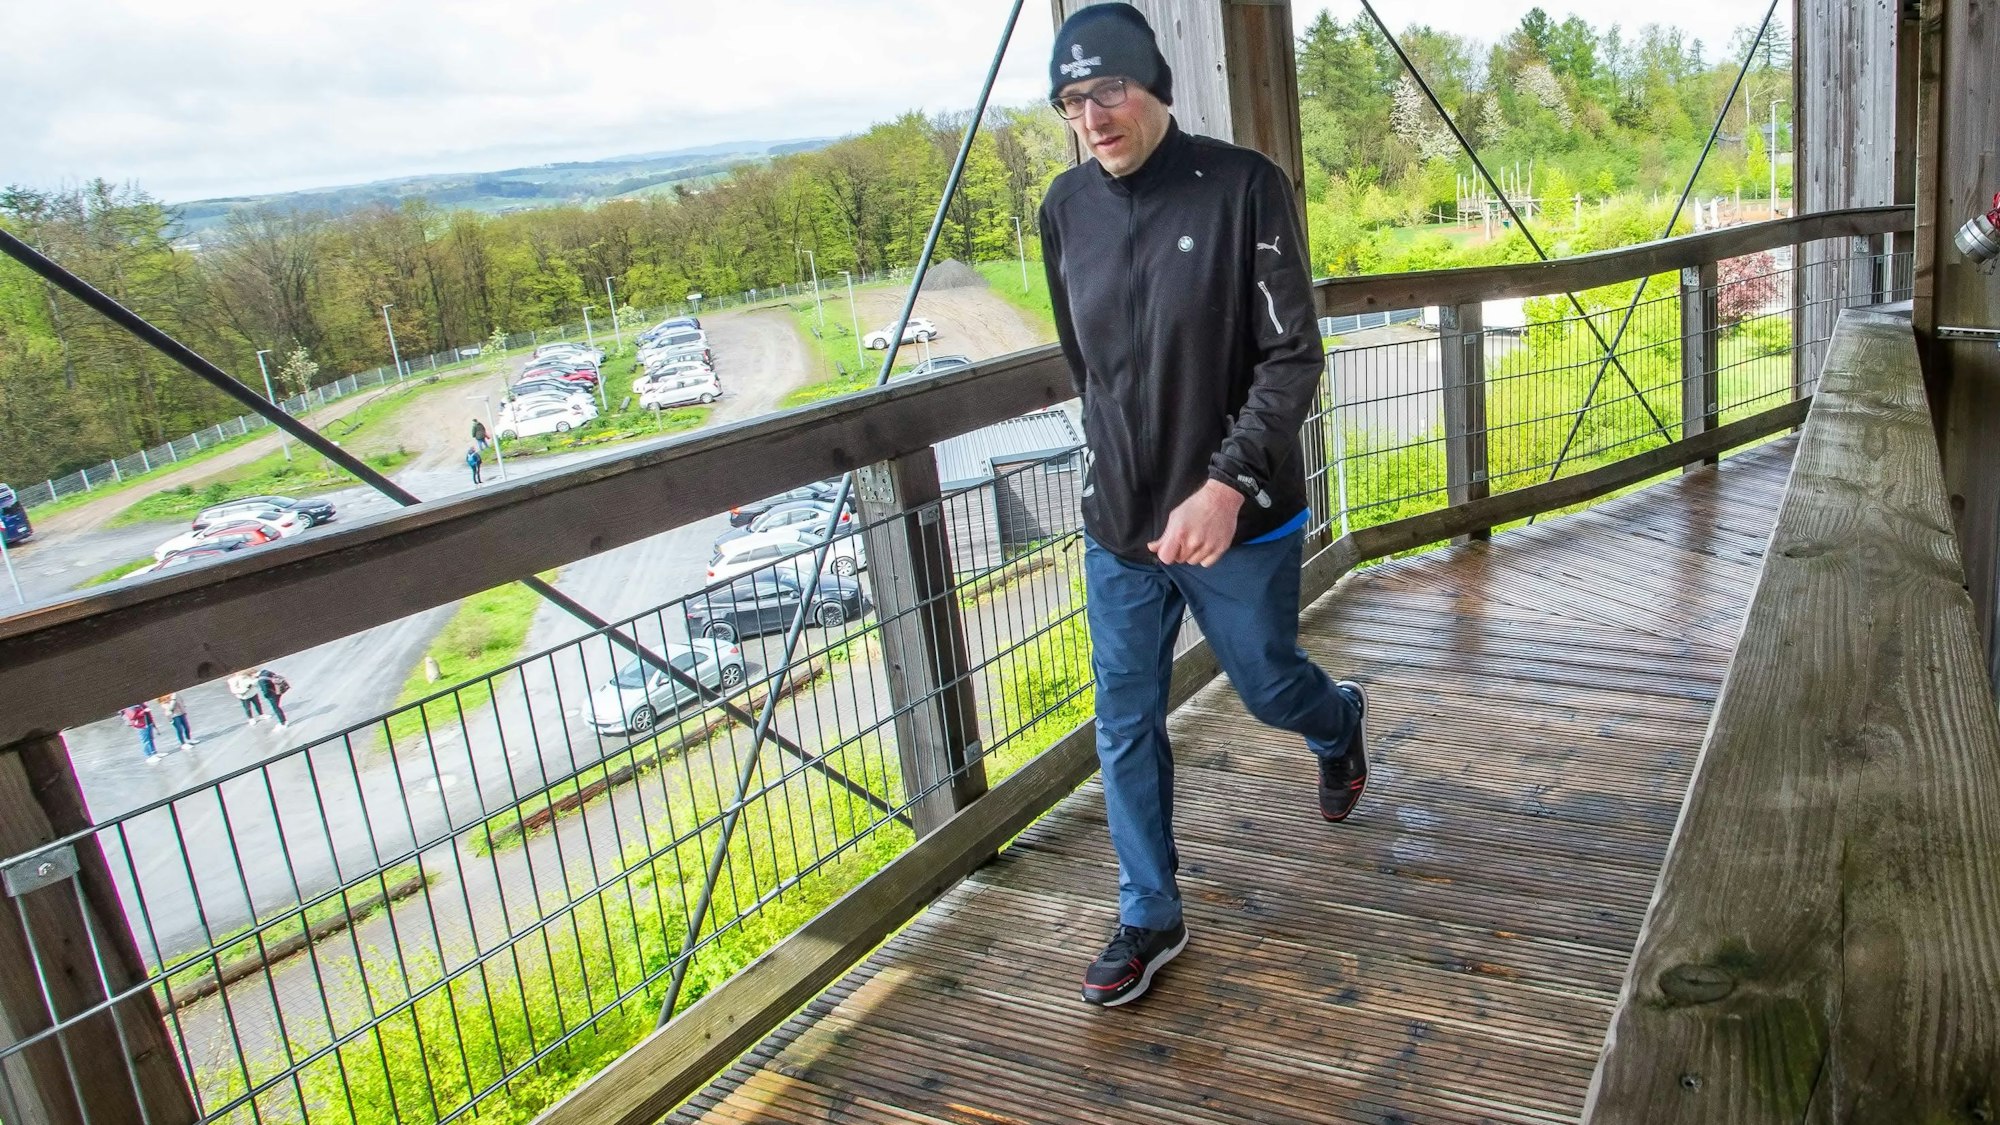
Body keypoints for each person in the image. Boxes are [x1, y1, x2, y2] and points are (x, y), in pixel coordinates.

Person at [1040, 3, 1368, 1008]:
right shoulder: (1063, 208)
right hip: (1119, 528)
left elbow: (1291, 356)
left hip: (1239, 517)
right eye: (1070, 101)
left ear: (1153, 86)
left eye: (1108, 90)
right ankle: (1149, 910)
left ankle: (1338, 723)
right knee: (1123, 719)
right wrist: (1115, 474)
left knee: (1267, 687)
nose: (1092, 117)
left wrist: (1224, 484)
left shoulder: (1242, 186)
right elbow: (1085, 366)